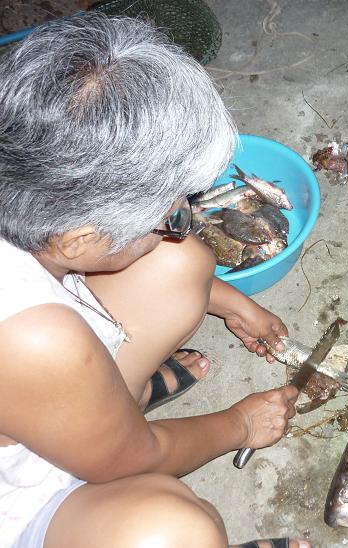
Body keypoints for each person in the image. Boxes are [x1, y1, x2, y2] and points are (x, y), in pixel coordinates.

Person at [0, 13, 309, 548]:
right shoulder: (31, 336)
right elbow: (129, 460)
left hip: (41, 389)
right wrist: (239, 425)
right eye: (171, 214)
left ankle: (114, 404)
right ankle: (114, 421)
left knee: (181, 262)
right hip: (17, 497)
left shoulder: (32, 210)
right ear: (78, 241)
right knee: (178, 528)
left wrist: (231, 303)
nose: (180, 222)